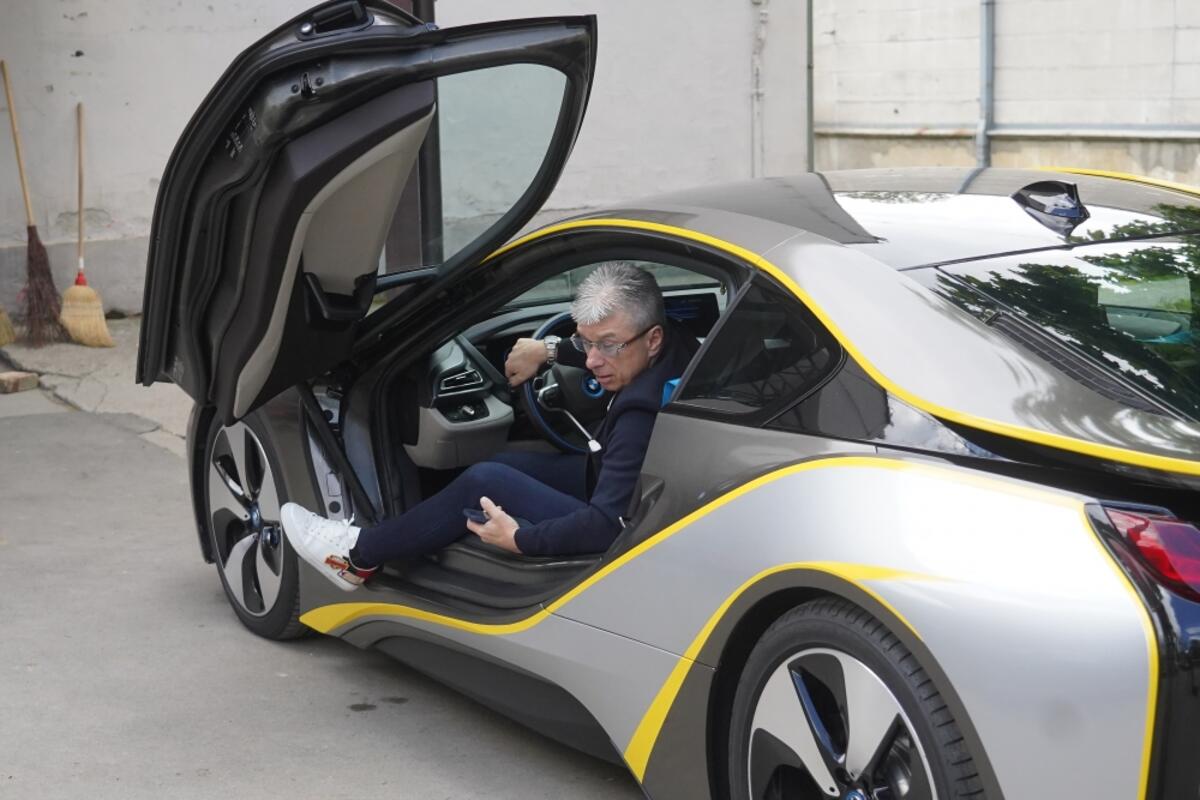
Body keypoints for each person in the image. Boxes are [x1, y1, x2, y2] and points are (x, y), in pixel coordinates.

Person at [281, 262, 697, 591]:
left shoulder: (638, 416)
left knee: (485, 480)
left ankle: (356, 556)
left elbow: (606, 526)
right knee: (506, 463)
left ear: (652, 339)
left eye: (607, 345)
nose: (591, 360)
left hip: (621, 527)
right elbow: (602, 346)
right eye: (586, 342)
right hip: (629, 484)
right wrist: (548, 350)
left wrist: (520, 539)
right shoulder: (679, 347)